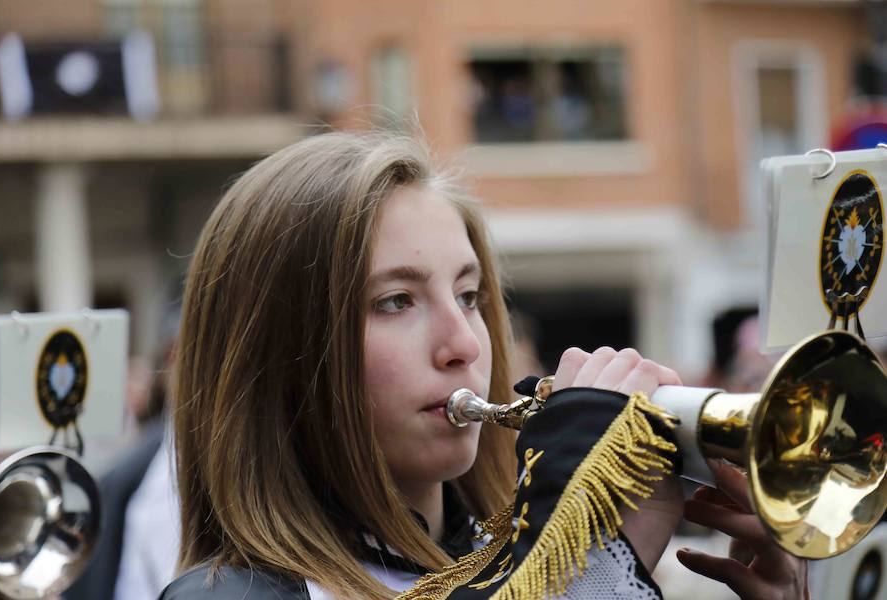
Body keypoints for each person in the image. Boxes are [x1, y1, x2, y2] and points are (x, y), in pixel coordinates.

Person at [159, 131, 808, 600]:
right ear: (279, 359)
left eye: (468, 296)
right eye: (395, 301)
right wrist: (582, 558)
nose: (464, 343)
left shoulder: (499, 555)